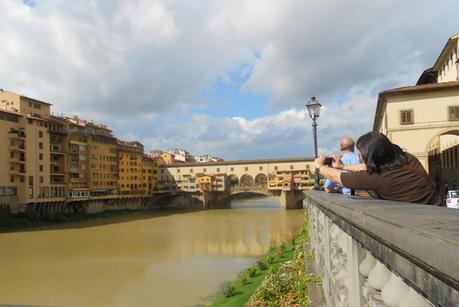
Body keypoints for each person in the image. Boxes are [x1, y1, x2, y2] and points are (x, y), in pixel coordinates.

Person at [315, 131, 441, 205]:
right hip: (439, 210)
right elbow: (366, 167)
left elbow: (336, 177)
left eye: (362, 154)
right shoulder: (408, 158)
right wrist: (342, 166)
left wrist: (320, 166)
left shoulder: (375, 177)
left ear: (370, 156)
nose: (361, 156)